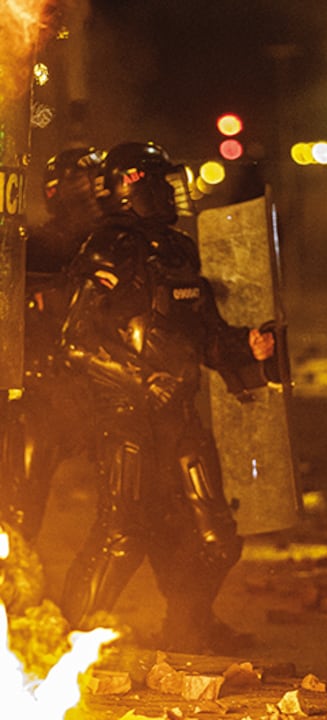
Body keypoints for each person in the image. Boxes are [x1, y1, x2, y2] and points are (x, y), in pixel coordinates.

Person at [57, 141, 278, 653]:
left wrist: (246, 346)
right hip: (126, 421)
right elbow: (77, 342)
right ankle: (69, 645)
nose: (171, 191)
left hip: (179, 419)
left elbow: (204, 337)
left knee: (216, 538)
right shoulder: (107, 249)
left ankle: (189, 629)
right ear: (131, 187)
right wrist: (141, 382)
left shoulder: (179, 250)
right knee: (122, 537)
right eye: (159, 181)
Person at [0, 146, 104, 539]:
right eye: (84, 184)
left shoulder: (120, 243)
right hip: (45, 390)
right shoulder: (39, 247)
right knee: (21, 493)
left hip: (108, 387)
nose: (92, 194)